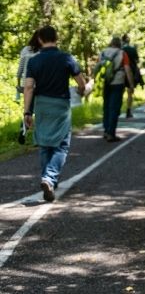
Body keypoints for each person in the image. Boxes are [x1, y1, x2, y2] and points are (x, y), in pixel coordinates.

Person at [23, 25, 87, 202]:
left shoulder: (34, 61)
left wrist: (27, 111)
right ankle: (49, 178)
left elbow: (28, 87)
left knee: (45, 143)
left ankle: (48, 179)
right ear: (56, 38)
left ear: (40, 40)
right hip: (60, 105)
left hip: (41, 104)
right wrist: (82, 90)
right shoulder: (66, 58)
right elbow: (81, 82)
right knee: (61, 145)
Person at [94, 36, 134, 142]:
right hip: (118, 82)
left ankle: (106, 130)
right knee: (114, 108)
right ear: (120, 44)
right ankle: (111, 133)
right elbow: (127, 69)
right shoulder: (122, 53)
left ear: (111, 43)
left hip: (105, 82)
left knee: (106, 106)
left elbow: (97, 67)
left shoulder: (103, 52)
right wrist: (131, 84)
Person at [121, 34, 144, 118]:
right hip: (132, 71)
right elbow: (137, 60)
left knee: (120, 92)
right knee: (130, 92)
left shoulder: (120, 49)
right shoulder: (132, 49)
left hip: (122, 72)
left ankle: (117, 109)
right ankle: (128, 110)